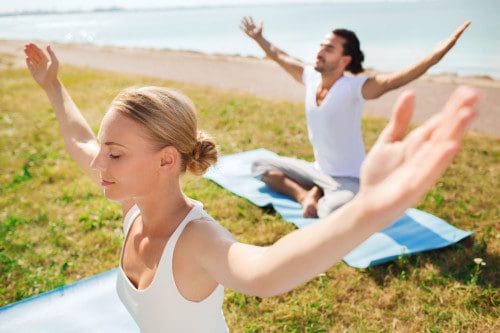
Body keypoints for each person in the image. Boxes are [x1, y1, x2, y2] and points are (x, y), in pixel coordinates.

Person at [24, 42, 478, 332]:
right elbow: (82, 140)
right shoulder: (133, 207)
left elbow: (267, 272)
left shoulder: (197, 240)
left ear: (166, 160)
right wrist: (53, 86)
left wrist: (371, 208)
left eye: (116, 153)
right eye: (106, 150)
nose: (97, 162)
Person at [240, 17, 471, 218]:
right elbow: (279, 55)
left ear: (345, 60)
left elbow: (397, 79)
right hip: (317, 169)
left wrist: (439, 52)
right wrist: (259, 38)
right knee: (259, 165)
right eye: (321, 46)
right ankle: (306, 195)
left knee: (332, 212)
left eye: (329, 48)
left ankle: (320, 194)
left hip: (349, 179)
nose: (319, 52)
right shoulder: (310, 77)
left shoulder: (355, 88)